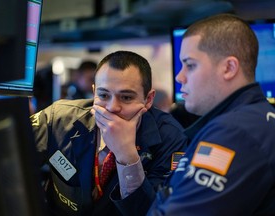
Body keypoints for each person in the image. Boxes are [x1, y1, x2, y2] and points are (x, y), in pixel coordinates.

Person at [144, 13, 275, 215]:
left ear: (229, 68)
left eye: (190, 65)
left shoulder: (234, 132)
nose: (180, 77)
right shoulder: (256, 118)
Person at [30, 50, 188, 216]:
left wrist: (126, 156)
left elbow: (154, 211)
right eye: (104, 95)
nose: (112, 107)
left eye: (126, 97)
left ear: (148, 99)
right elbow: (9, 158)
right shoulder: (59, 118)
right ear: (94, 91)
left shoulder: (171, 137)